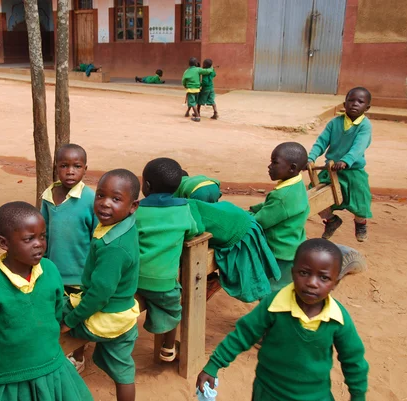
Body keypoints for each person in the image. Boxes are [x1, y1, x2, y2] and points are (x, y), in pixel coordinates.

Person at [196, 238, 369, 401]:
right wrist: (213, 365)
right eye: (304, 273)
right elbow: (243, 334)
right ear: (293, 273)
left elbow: (353, 361)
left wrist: (358, 395)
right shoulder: (273, 305)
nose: (312, 282)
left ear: (335, 283)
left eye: (323, 277)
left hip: (315, 396)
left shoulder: (338, 319)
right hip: (268, 393)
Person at [0, 202, 93, 401]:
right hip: (14, 381)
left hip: (54, 368)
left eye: (42, 236)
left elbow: (56, 308)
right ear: (4, 243)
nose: (39, 244)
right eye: (29, 239)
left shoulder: (50, 270)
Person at [61, 169, 141, 401]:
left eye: (116, 199)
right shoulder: (124, 224)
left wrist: (70, 321)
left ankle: (66, 365)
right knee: (123, 370)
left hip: (104, 315)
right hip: (123, 315)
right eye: (100, 196)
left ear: (132, 206)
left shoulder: (113, 247)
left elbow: (98, 295)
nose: (105, 204)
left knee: (51, 314)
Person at [40, 144, 97, 373]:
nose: (70, 171)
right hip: (53, 271)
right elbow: (42, 232)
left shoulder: (90, 199)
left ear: (85, 169)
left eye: (76, 166)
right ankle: (57, 355)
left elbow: (97, 236)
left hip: (80, 273)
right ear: (57, 168)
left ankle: (79, 356)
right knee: (54, 314)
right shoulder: (48, 196)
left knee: (76, 318)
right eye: (64, 166)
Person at [135, 158, 198, 362]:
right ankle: (168, 348)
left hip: (134, 281)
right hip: (164, 284)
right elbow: (194, 231)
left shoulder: (138, 209)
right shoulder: (183, 208)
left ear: (147, 186)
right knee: (173, 310)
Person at [307, 87, 373, 242]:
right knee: (314, 193)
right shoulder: (335, 123)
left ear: (367, 107)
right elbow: (321, 141)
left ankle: (360, 223)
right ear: (345, 103)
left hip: (352, 170)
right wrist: (311, 158)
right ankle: (331, 220)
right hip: (332, 169)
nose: (354, 104)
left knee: (360, 199)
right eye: (351, 100)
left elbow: (359, 146)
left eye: (360, 101)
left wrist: (345, 161)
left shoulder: (364, 126)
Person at [188, 199, 280, 303]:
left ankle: (269, 309)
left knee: (253, 281)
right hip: (239, 219)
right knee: (257, 273)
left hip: (241, 232)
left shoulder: (185, 210)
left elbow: (197, 229)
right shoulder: (184, 202)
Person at [250, 142, 309, 291]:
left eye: (275, 163)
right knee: (284, 287)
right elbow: (269, 207)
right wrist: (254, 208)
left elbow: (261, 221)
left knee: (273, 290)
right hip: (292, 245)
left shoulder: (282, 197)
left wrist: (243, 216)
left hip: (279, 251)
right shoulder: (295, 185)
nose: (269, 166)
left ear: (292, 168)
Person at [182, 57, 213, 122]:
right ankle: (187, 112)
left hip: (190, 90)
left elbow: (183, 80)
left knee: (192, 103)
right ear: (196, 63)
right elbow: (206, 71)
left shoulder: (186, 71)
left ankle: (197, 116)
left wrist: (185, 86)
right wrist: (211, 68)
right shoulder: (198, 69)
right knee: (193, 102)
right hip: (197, 90)